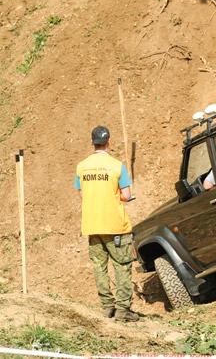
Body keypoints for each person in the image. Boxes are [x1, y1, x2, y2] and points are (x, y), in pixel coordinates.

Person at [74, 126, 139, 322]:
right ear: (108, 141)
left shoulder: (81, 166)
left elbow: (81, 191)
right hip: (115, 225)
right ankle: (122, 310)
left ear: (92, 142)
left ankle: (107, 307)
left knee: (99, 267)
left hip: (92, 225)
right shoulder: (117, 166)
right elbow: (126, 195)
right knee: (122, 266)